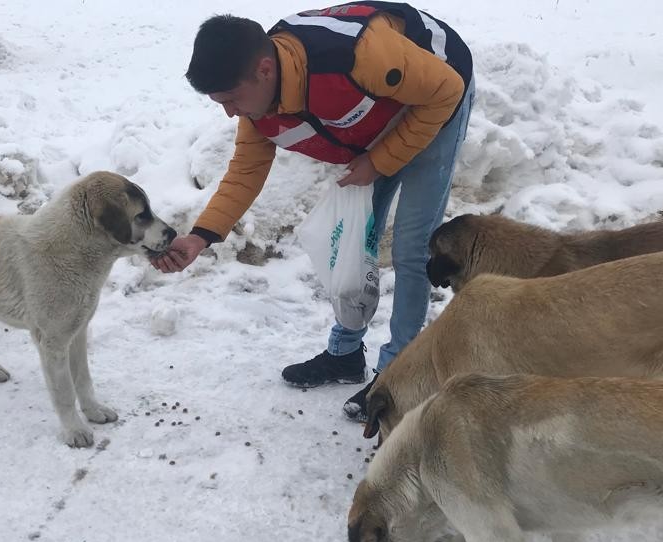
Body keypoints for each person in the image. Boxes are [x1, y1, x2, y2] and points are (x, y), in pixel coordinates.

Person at [154, 3, 474, 421]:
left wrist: (380, 161)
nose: (230, 112)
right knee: (354, 246)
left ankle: (398, 377)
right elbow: (245, 172)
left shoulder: (356, 57)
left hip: (436, 97)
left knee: (411, 249)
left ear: (264, 70)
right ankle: (345, 355)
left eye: (231, 99)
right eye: (220, 103)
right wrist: (200, 237)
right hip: (380, 112)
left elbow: (445, 90)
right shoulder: (260, 104)